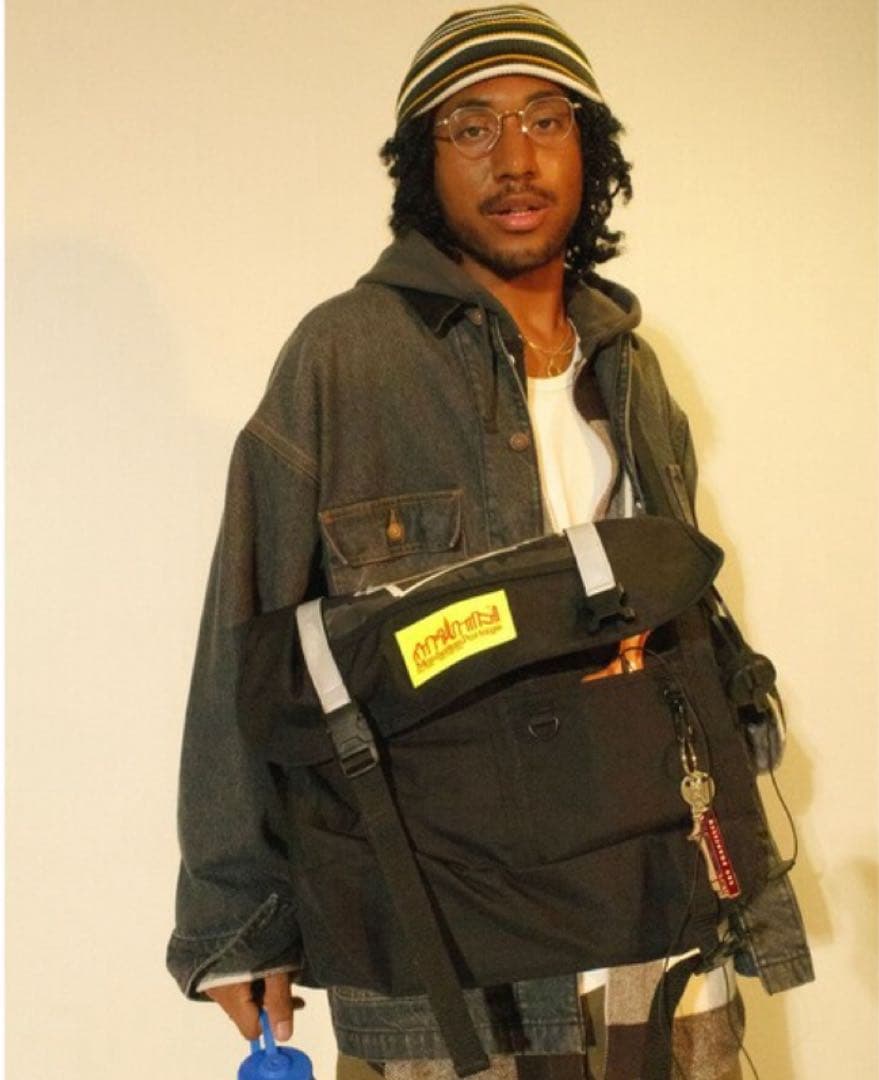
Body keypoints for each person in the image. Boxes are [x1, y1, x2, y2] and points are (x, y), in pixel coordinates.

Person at [168, 7, 812, 1079]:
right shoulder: (343, 359)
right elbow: (246, 646)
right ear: (422, 165)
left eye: (545, 120)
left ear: (588, 149)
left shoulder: (630, 369)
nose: (514, 159)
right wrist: (237, 920)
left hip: (660, 923)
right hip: (455, 960)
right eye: (471, 127)